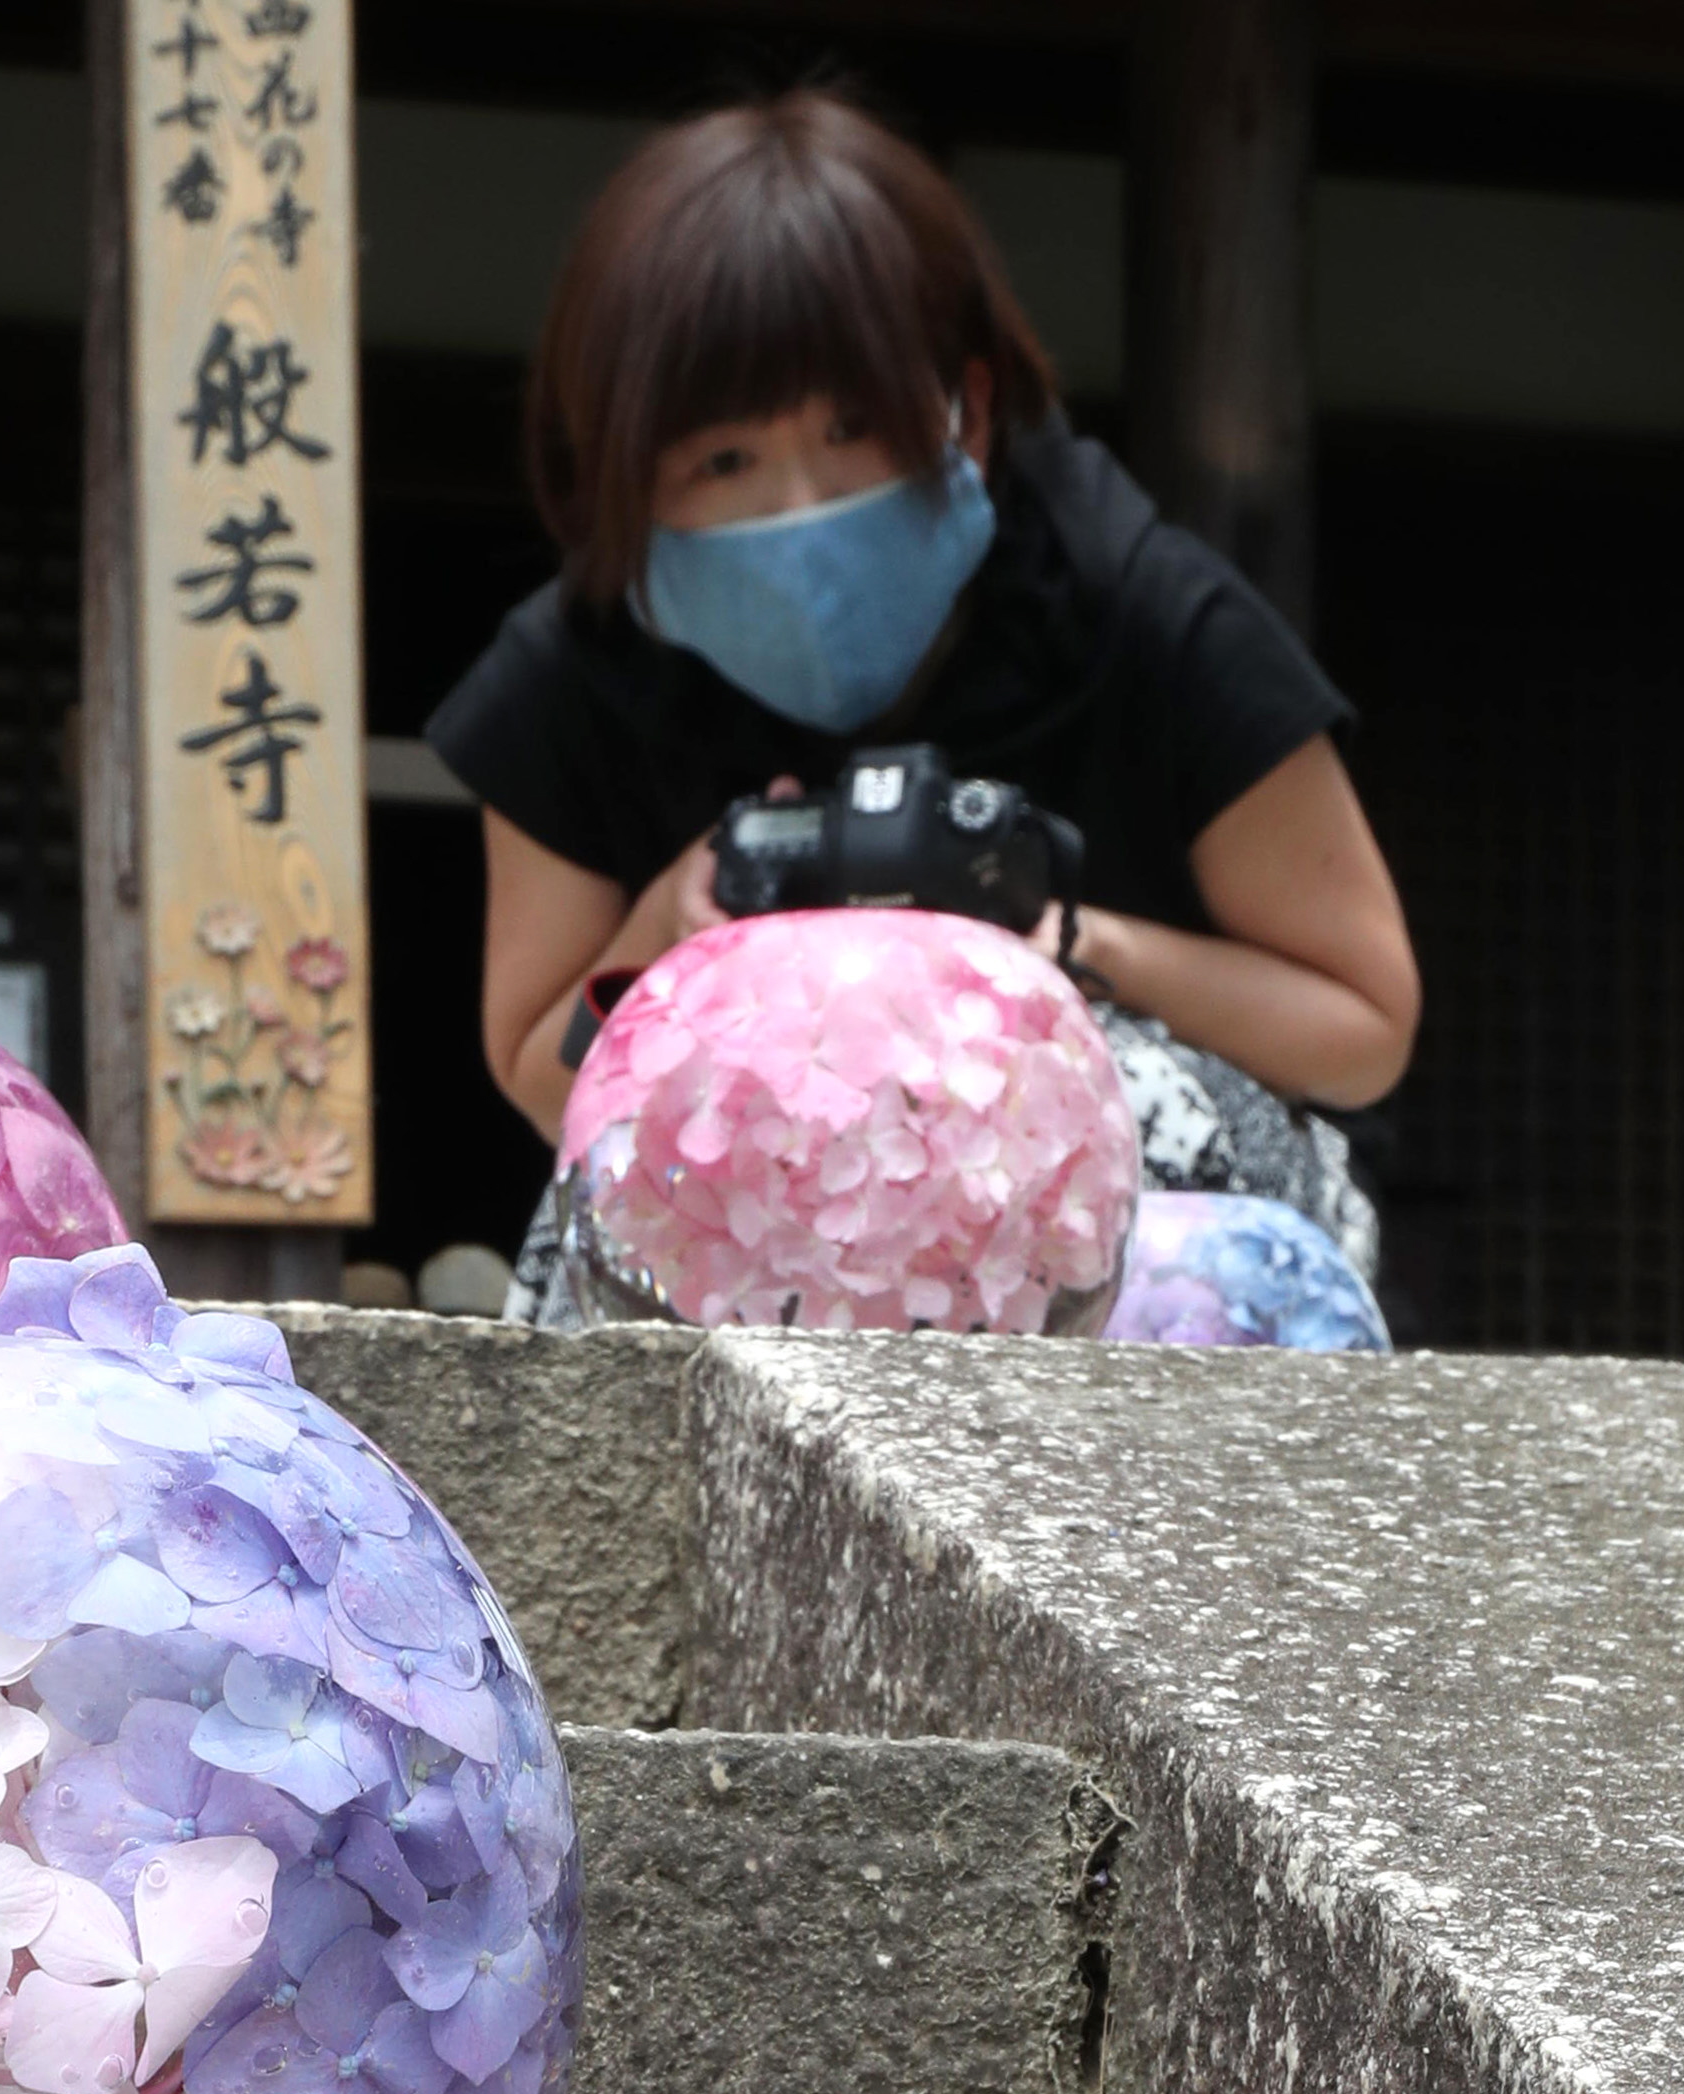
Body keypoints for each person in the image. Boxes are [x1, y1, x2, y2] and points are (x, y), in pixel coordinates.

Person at [427, 89, 1419, 1280]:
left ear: (973, 407)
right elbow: (544, 1078)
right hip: (767, 1267)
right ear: (623, 477)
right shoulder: (565, 681)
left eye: (855, 429)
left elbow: (1364, 1026)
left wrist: (1060, 942)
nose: (800, 505)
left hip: (1132, 1264)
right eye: (725, 459)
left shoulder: (1142, 610)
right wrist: (673, 936)